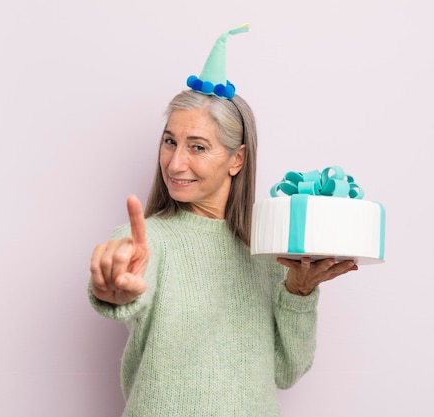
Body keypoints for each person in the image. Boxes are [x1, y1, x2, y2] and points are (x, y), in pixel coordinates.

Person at [88, 25, 358, 416]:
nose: (175, 162)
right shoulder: (148, 241)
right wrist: (115, 288)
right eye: (169, 141)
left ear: (237, 159)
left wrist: (298, 295)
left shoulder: (269, 248)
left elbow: (286, 371)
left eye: (197, 147)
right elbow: (129, 281)